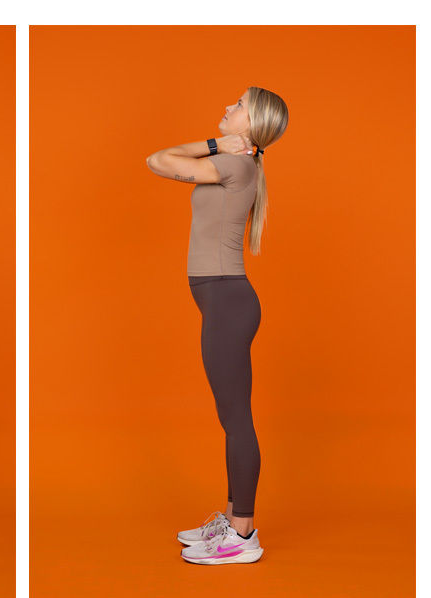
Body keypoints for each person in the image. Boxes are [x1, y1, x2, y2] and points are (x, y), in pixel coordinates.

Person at [146, 86, 288, 565]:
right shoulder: (241, 164)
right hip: (225, 299)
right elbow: (159, 159)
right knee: (231, 417)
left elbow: (156, 160)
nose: (228, 106)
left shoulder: (234, 163)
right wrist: (216, 144)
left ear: (250, 124)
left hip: (227, 300)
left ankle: (243, 535)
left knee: (236, 419)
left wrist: (211, 145)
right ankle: (232, 516)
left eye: (239, 105)